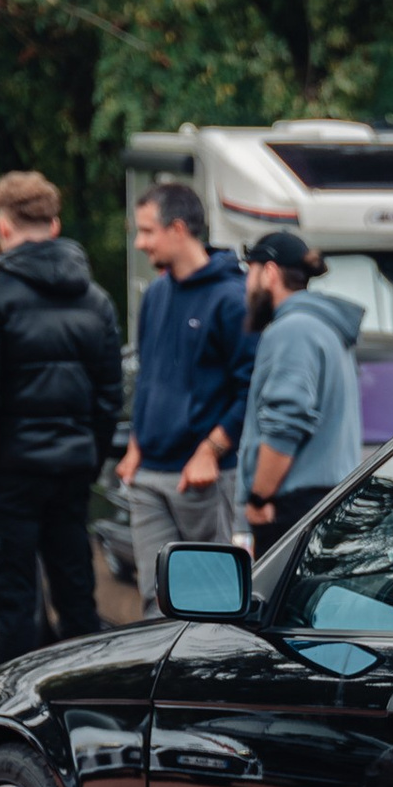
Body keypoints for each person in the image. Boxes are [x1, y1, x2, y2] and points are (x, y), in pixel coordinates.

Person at [0, 171, 123, 668]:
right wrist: (86, 459)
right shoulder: (95, 300)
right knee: (76, 596)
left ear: (3, 227)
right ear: (54, 224)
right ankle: (83, 710)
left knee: (13, 603)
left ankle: (17, 715)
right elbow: (109, 397)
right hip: (70, 469)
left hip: (6, 475)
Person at [116, 176, 252, 609]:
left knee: (208, 601)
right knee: (155, 599)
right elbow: (150, 375)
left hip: (204, 477)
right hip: (149, 475)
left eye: (147, 231)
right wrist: (136, 444)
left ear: (178, 229)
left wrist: (211, 450)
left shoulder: (233, 299)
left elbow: (251, 388)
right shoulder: (155, 294)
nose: (140, 243)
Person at [236, 230, 364, 549]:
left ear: (269, 273)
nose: (246, 287)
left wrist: (258, 497)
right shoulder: (324, 327)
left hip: (291, 509)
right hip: (322, 504)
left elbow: (286, 424)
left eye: (249, 273)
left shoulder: (293, 329)